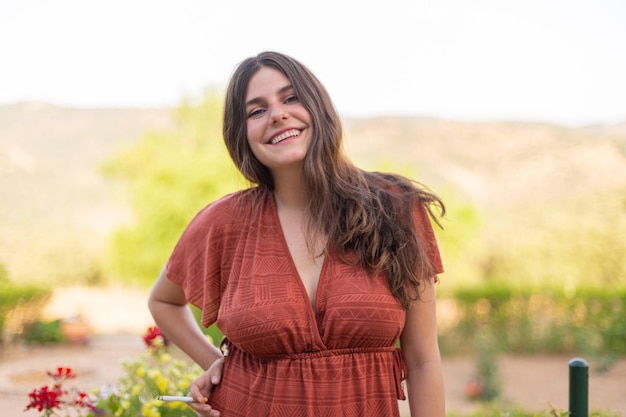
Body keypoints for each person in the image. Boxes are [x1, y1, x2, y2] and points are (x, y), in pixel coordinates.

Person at [148, 51, 446, 417]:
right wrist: (215, 363)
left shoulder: (396, 209)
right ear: (242, 134)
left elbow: (423, 360)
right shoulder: (223, 223)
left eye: (291, 98)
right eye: (256, 111)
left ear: (318, 107)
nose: (277, 114)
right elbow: (163, 300)